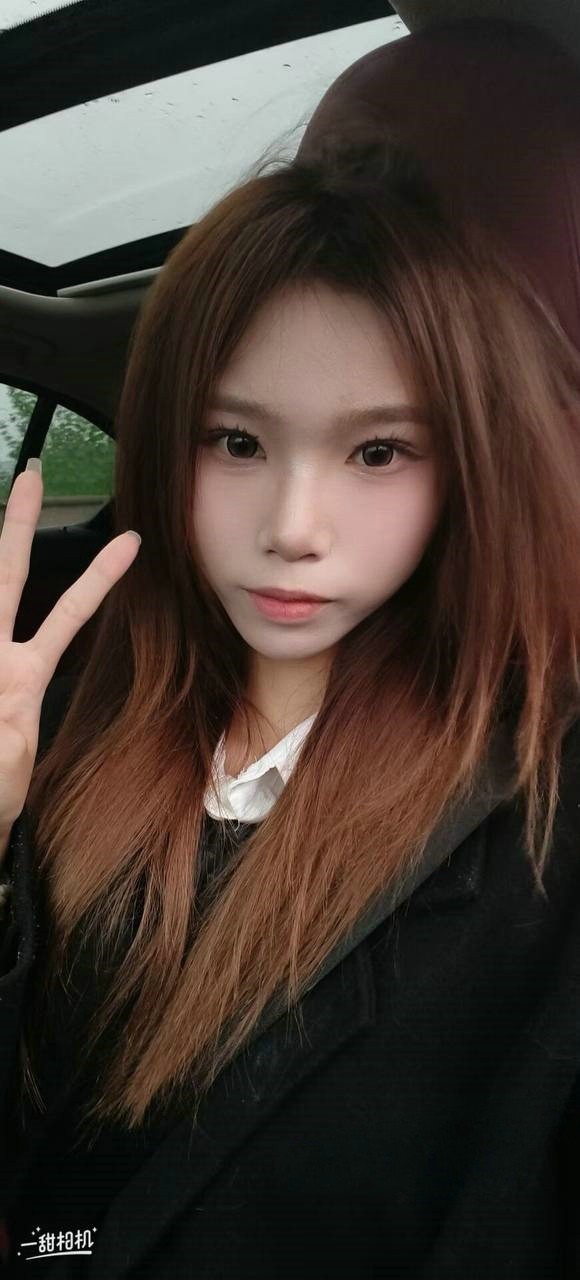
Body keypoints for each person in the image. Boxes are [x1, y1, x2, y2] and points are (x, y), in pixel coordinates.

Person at [1, 116, 580, 1278]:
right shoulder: (62, 707)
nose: (293, 528)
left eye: (377, 452)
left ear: (467, 468)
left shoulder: (541, 816)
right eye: (235, 440)